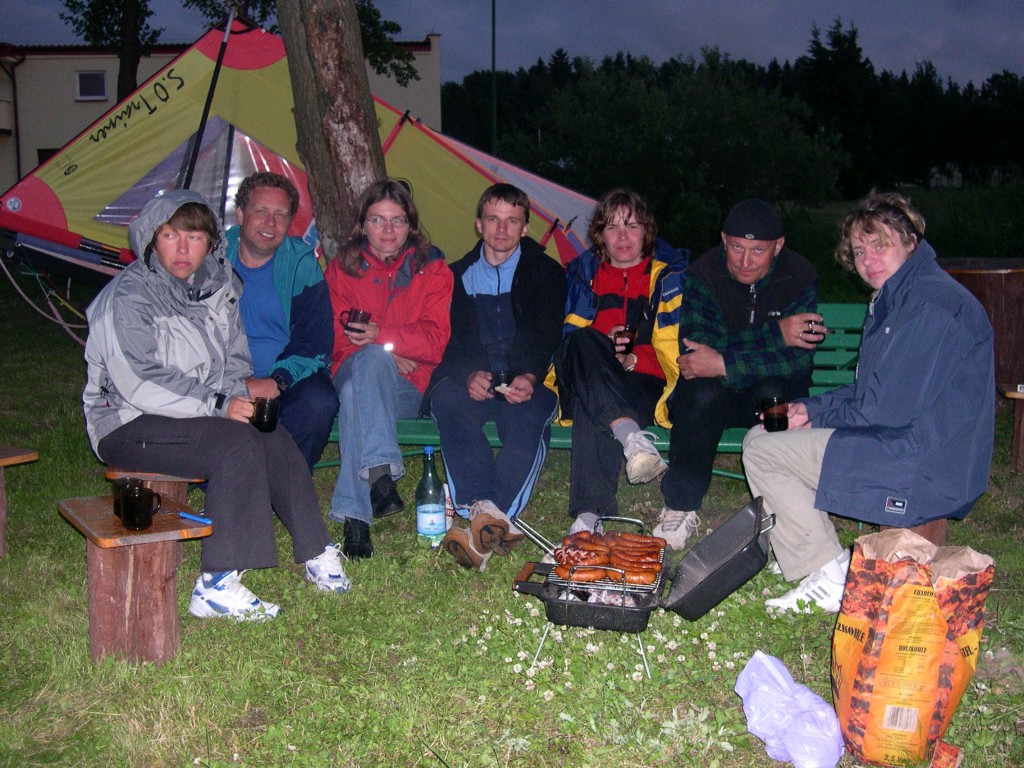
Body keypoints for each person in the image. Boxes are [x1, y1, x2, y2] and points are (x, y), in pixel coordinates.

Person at [83, 190, 349, 622]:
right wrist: (218, 404)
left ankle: (316, 549)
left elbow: (234, 360)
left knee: (266, 430)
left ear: (210, 242)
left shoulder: (216, 286)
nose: (182, 249)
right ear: (152, 238)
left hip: (192, 413)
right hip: (127, 421)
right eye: (170, 236)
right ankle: (216, 584)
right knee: (235, 445)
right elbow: (139, 382)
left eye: (194, 238)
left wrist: (239, 397)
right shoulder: (128, 297)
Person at [743, 192, 995, 613]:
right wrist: (810, 410)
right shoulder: (901, 296)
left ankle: (828, 573)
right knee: (760, 438)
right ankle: (820, 558)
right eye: (859, 250)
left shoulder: (931, 304)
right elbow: (872, 392)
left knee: (765, 452)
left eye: (880, 245)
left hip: (920, 460)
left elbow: (885, 410)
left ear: (910, 241)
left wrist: (823, 418)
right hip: (903, 441)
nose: (868, 259)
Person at [658, 198, 823, 549]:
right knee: (699, 392)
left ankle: (785, 509)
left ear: (778, 246)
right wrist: (775, 334)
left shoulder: (800, 276)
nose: (745, 261)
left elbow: (796, 362)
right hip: (718, 393)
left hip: (768, 391)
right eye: (736, 247)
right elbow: (698, 353)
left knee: (776, 390)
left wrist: (725, 363)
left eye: (758, 250)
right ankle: (680, 504)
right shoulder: (704, 274)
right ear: (723, 240)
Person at [425, 183, 566, 571]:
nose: (502, 229)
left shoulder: (546, 272)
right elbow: (449, 338)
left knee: (528, 415)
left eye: (512, 221)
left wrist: (530, 375)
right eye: (493, 219)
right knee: (447, 401)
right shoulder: (456, 276)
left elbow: (545, 331)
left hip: (527, 378)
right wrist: (468, 373)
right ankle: (488, 516)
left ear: (525, 227)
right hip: (476, 377)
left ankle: (483, 519)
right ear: (478, 224)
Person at [324, 179, 453, 560]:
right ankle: (379, 475)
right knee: (366, 369)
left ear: (410, 226)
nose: (387, 230)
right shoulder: (342, 269)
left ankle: (356, 516)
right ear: (362, 224)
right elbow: (332, 338)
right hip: (349, 368)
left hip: (408, 384)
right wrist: (384, 352)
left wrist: (382, 340)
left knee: (356, 399)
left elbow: (436, 341)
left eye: (397, 220)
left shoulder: (432, 269)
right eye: (377, 220)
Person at [552, 188, 687, 538]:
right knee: (582, 342)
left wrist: (633, 359)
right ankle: (633, 440)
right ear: (600, 235)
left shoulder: (669, 280)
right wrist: (603, 346)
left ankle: (588, 517)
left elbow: (678, 348)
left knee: (595, 404)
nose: (623, 237)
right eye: (612, 227)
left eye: (632, 226)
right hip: (589, 374)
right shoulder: (582, 278)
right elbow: (565, 342)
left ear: (647, 232)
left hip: (645, 386)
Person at [225, 171, 338, 473]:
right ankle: (227, 475)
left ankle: (287, 478)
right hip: (221, 374)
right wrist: (233, 382)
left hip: (283, 376)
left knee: (319, 402)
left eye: (280, 215)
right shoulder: (213, 258)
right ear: (241, 214)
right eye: (261, 211)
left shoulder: (301, 263)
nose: (270, 223)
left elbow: (315, 340)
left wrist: (277, 381)